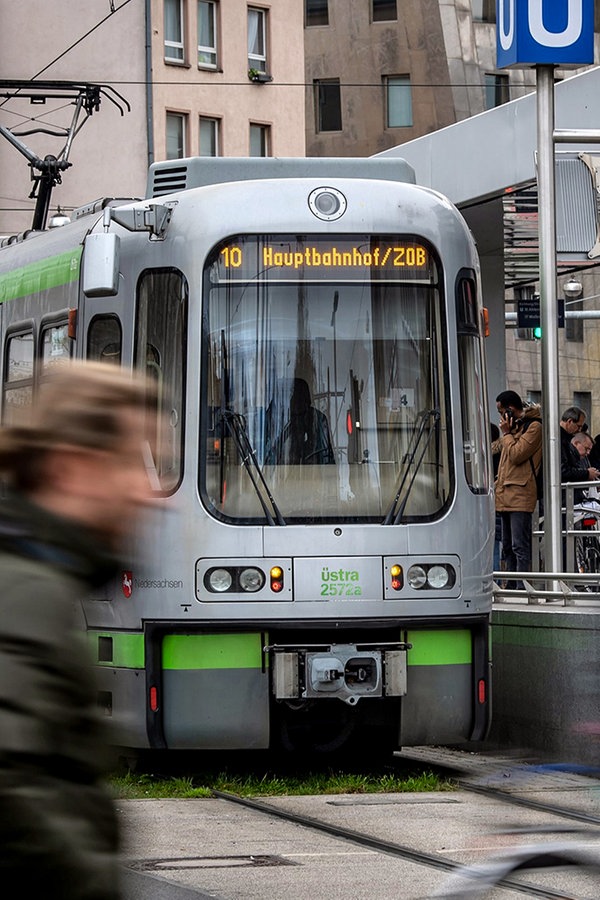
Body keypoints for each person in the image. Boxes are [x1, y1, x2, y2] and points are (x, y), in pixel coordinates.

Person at [0, 362, 155, 900]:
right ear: (69, 468)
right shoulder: (26, 593)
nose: (144, 489)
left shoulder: (37, 577)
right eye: (127, 464)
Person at [495, 390, 543, 588]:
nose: (500, 416)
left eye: (501, 411)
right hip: (505, 493)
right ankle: (511, 585)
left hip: (521, 494)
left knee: (519, 546)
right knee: (506, 546)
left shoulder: (534, 427)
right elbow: (497, 447)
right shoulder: (516, 428)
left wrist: (507, 433)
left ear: (510, 409)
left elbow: (517, 454)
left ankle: (523, 587)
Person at [560, 406, 599, 485]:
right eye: (578, 426)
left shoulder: (566, 438)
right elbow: (563, 470)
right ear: (570, 421)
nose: (579, 430)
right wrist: (586, 474)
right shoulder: (559, 439)